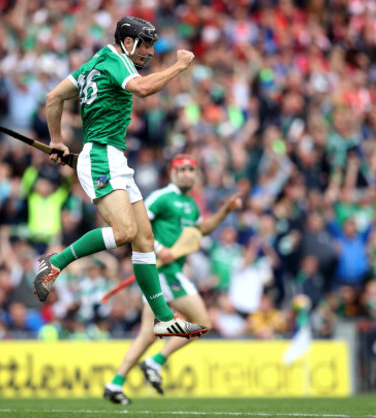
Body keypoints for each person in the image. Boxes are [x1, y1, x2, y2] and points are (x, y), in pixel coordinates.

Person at [34, 17, 207, 339]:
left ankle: (163, 318)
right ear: (127, 42)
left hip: (112, 158)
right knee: (126, 232)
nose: (150, 52)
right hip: (101, 156)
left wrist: (57, 140)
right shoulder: (116, 61)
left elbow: (53, 98)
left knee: (144, 240)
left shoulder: (92, 64)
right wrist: (180, 65)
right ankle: (53, 263)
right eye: (145, 45)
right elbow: (142, 88)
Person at [104, 154, 242, 405]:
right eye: (183, 169)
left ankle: (115, 383)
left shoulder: (191, 204)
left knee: (147, 336)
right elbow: (135, 224)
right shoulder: (161, 197)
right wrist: (157, 247)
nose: (188, 173)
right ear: (172, 173)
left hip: (169, 272)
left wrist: (224, 211)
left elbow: (199, 231)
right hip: (164, 272)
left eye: (192, 169)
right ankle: (155, 362)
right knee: (202, 322)